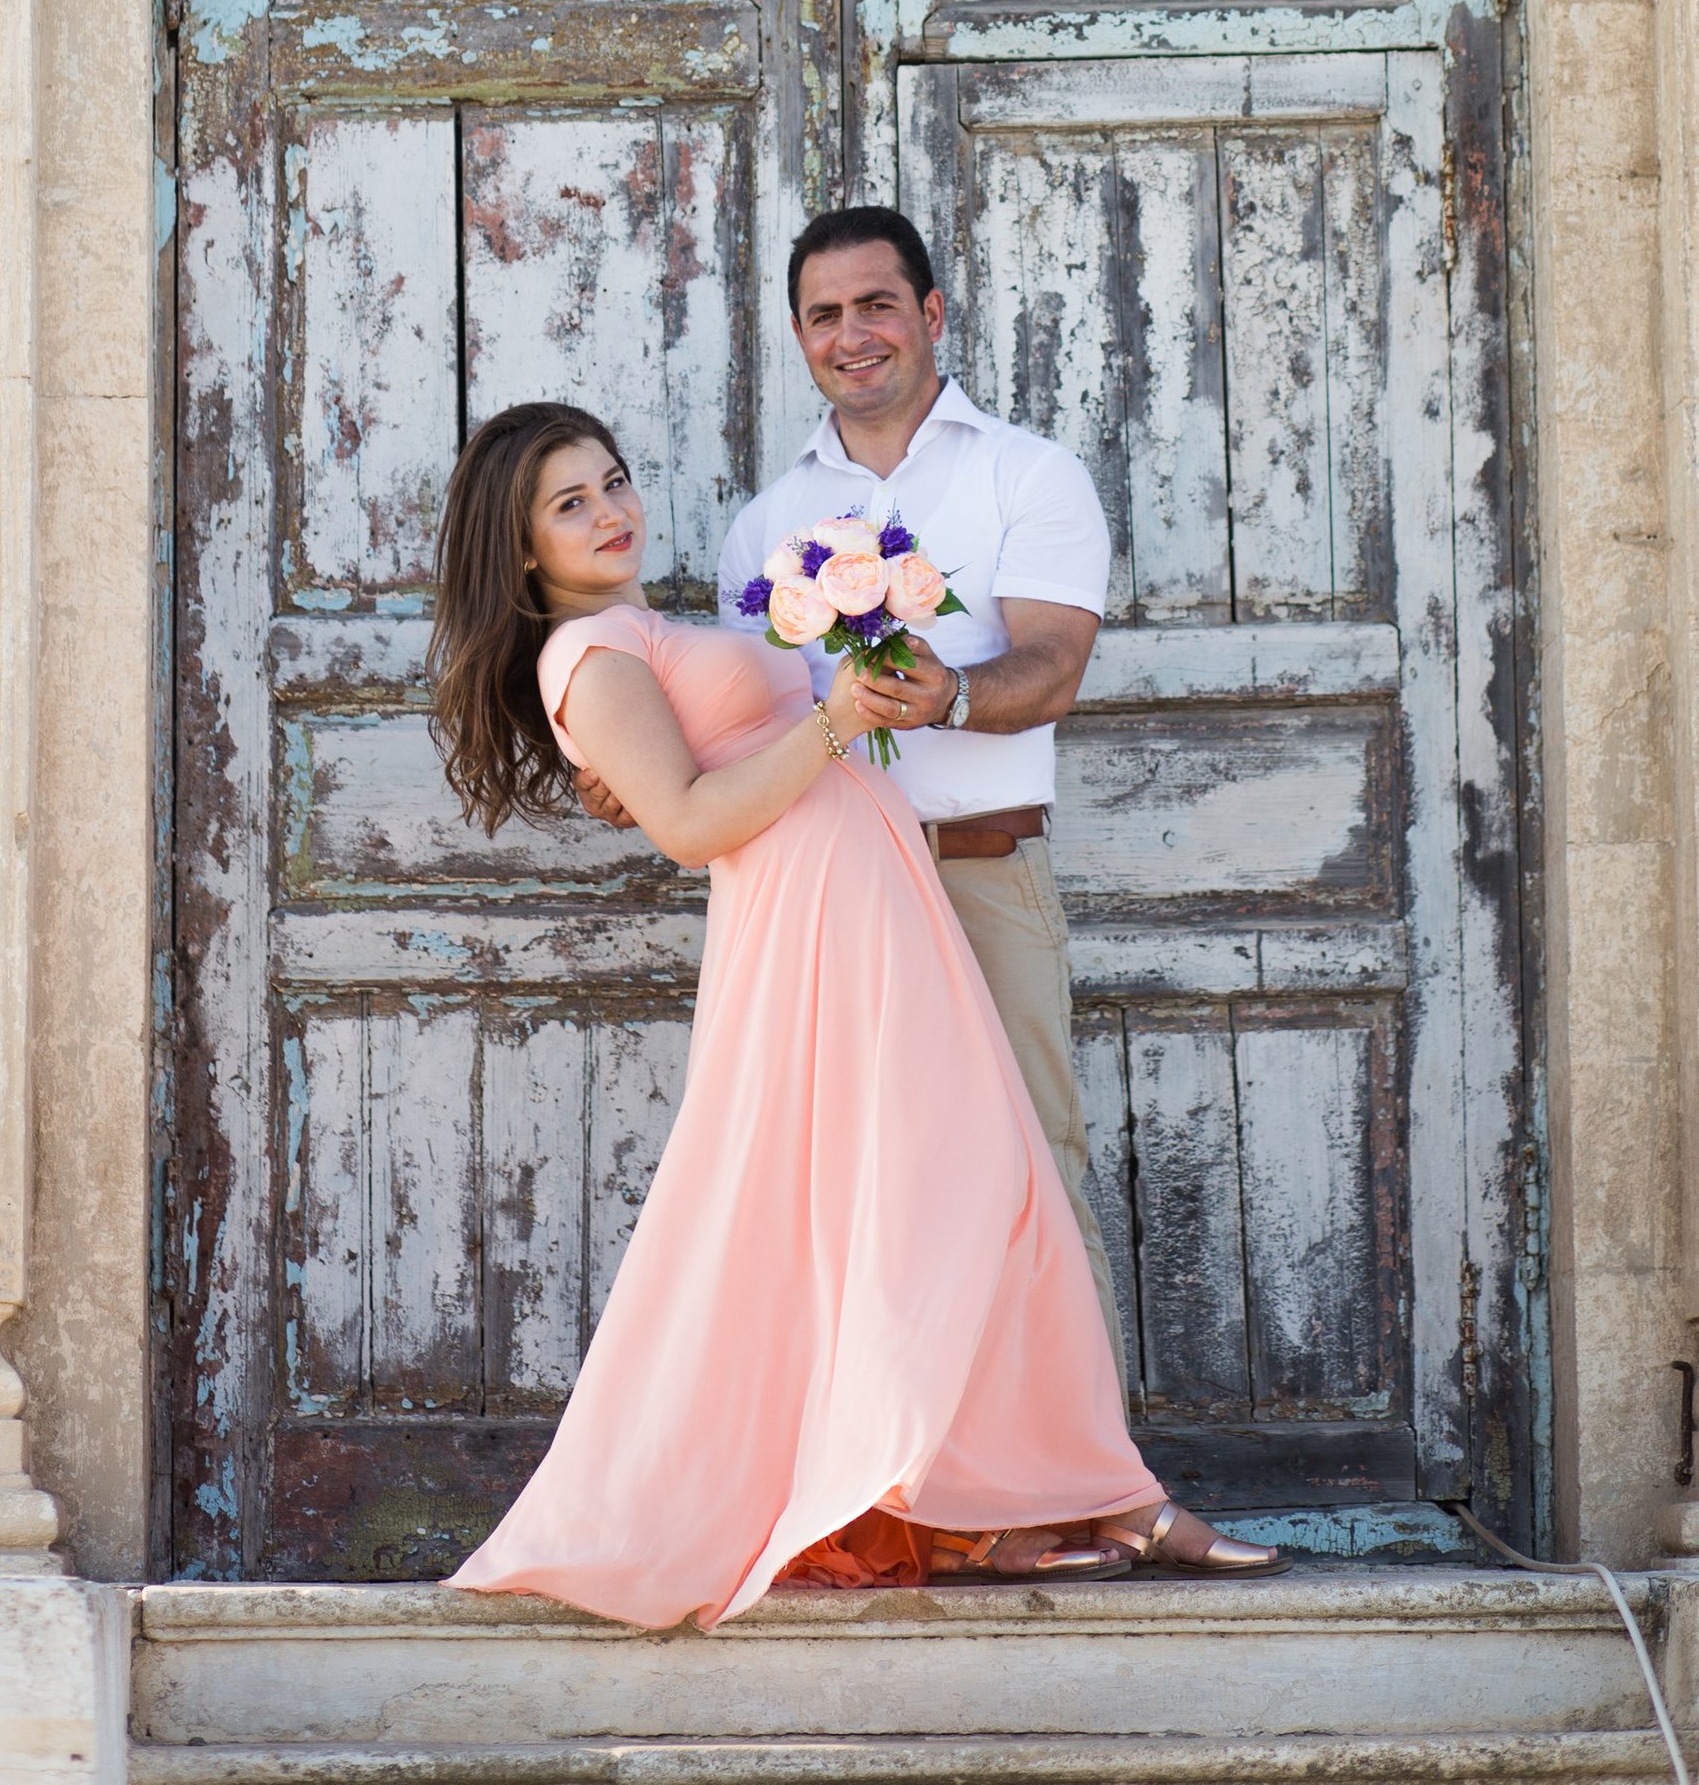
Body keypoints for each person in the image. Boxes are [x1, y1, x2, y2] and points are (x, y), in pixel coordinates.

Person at [429, 400, 1276, 1627]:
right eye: (570, 503)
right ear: (518, 547)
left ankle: (1023, 1502)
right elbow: (691, 826)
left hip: (873, 898)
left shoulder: (643, 626)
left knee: (971, 1194)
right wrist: (833, 720)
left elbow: (715, 765)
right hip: (815, 919)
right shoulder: (591, 656)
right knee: (943, 1195)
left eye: (613, 481)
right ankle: (1045, 1499)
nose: (611, 512)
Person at [713, 206, 1127, 1387]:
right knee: (855, 1192)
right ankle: (908, 1492)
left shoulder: (1026, 474)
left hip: (978, 873)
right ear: (800, 336)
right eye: (825, 314)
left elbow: (1052, 666)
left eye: (877, 304)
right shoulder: (765, 524)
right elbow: (751, 719)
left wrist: (944, 696)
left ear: (931, 314)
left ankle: (1092, 1487)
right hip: (830, 901)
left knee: (1028, 1174)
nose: (854, 334)